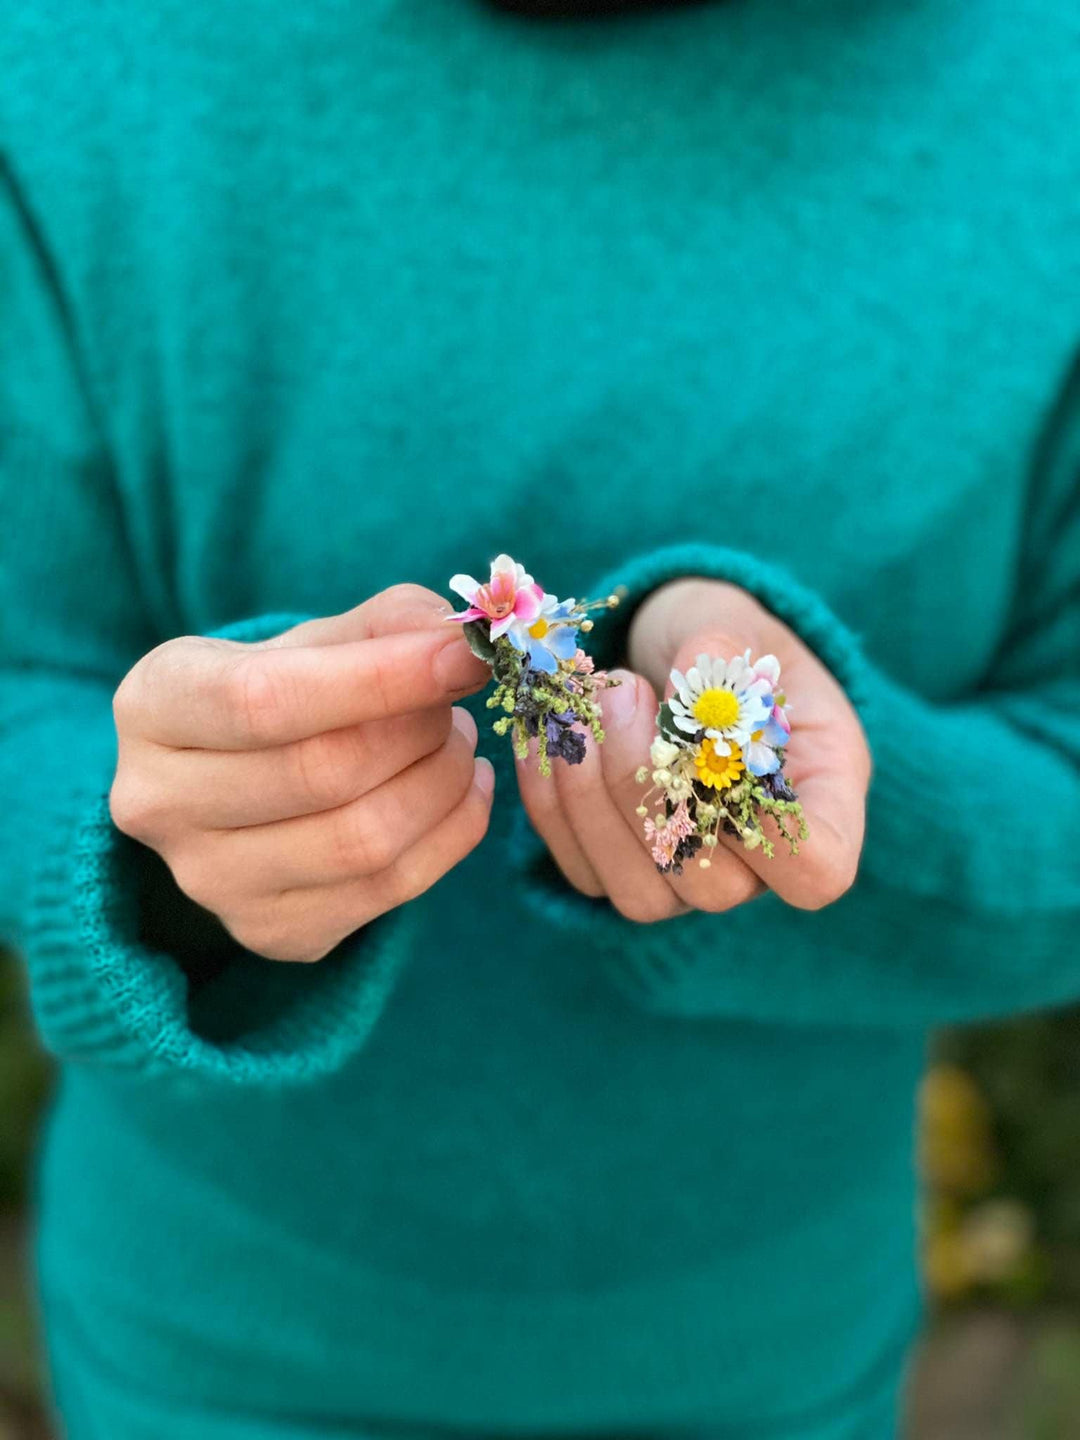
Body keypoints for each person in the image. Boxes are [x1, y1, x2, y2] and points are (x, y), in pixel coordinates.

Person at [1, 1, 1077, 1437]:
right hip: (204, 1351)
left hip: (774, 1361)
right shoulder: (68, 56)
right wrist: (150, 848)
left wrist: (830, 794)